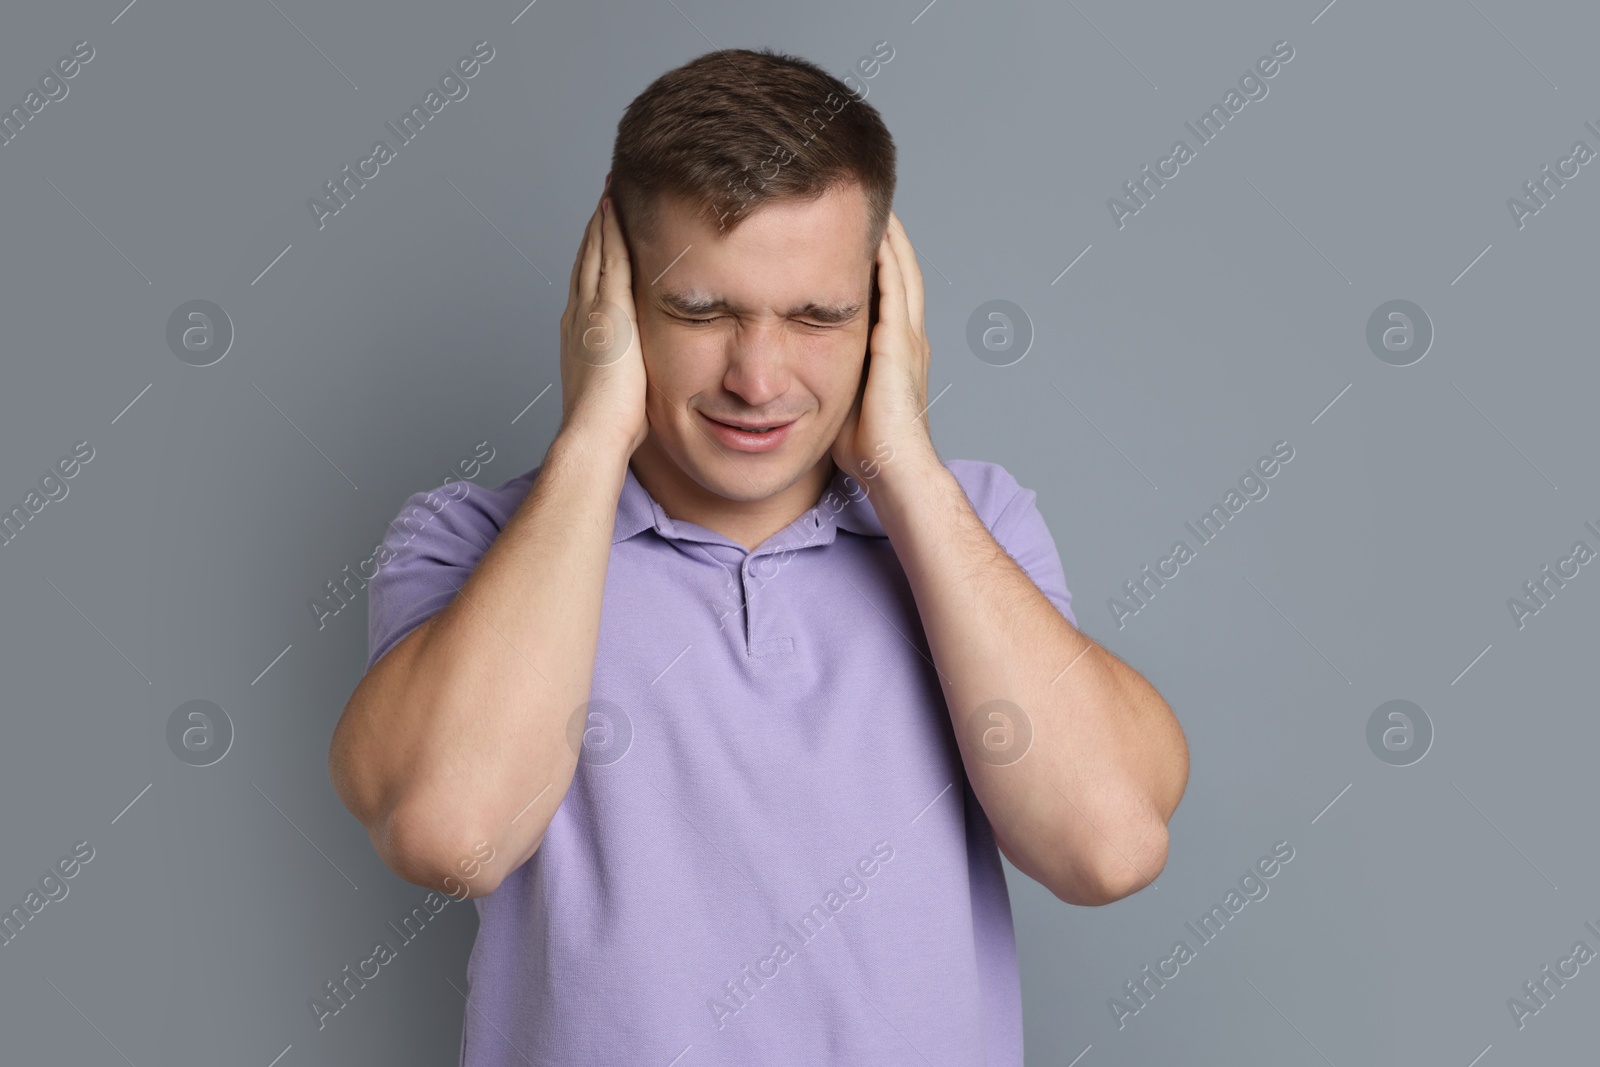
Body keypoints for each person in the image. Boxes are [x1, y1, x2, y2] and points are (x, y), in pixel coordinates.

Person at [329, 45, 1187, 1066]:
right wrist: (594, 440)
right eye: (701, 310)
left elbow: (1108, 845)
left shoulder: (976, 526)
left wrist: (901, 463)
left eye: (818, 316)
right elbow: (451, 834)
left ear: (884, 315)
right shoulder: (467, 541)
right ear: (613, 298)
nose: (758, 375)